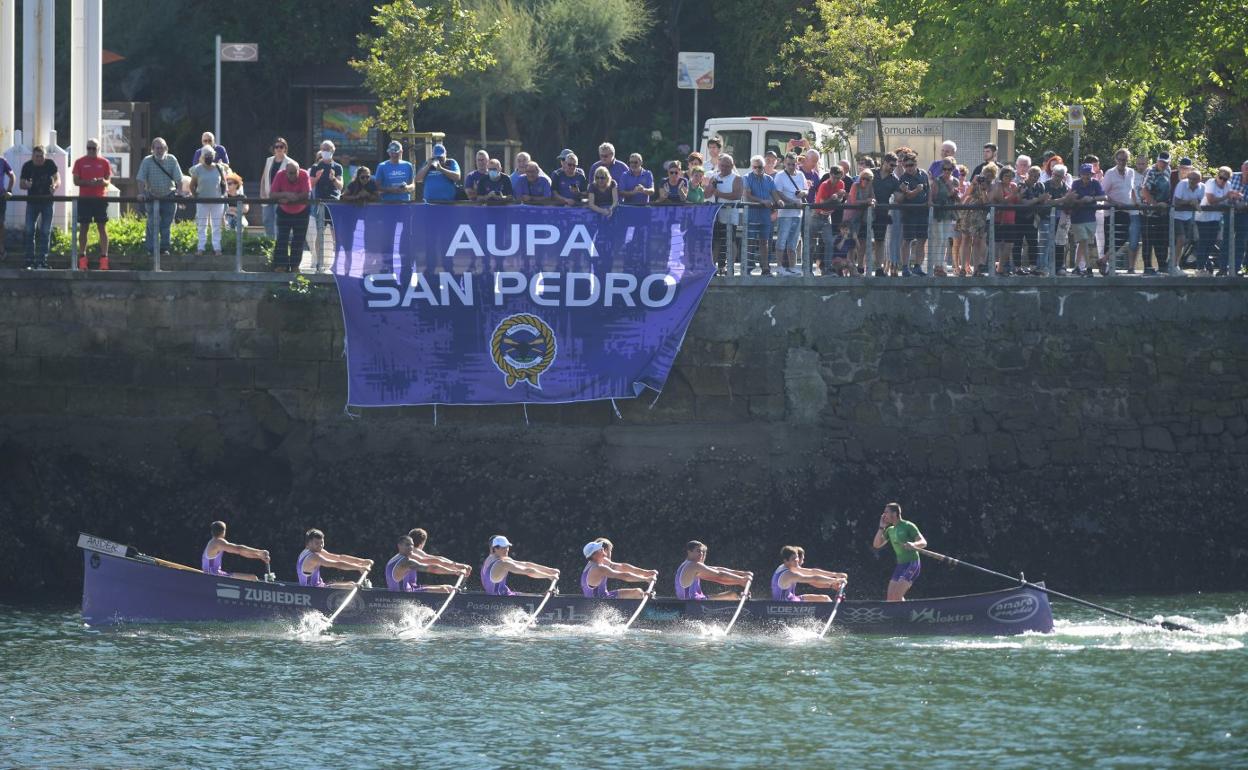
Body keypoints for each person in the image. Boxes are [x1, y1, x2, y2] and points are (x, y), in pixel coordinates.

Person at [871, 502, 927, 601]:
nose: (884, 515)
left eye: (886, 512)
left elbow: (923, 542)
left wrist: (913, 544)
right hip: (900, 565)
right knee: (890, 598)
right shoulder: (890, 530)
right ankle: (901, 614)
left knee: (897, 596)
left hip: (912, 563)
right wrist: (881, 527)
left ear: (895, 514)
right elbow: (876, 545)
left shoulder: (908, 525)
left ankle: (907, 614)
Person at [135, 138, 181, 258]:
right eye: (157, 148)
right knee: (152, 223)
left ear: (166, 149)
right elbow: (140, 178)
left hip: (169, 196)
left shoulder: (172, 159)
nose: (159, 150)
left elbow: (179, 179)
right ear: (152, 149)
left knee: (166, 224)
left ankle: (164, 249)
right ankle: (151, 250)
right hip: (152, 196)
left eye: (162, 148)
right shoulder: (147, 161)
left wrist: (179, 192)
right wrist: (141, 193)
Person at [385, 531, 471, 594]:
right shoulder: (407, 561)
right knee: (446, 590)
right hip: (404, 594)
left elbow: (435, 559)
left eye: (412, 545)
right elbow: (433, 567)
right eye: (408, 545)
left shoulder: (398, 557)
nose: (411, 547)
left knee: (448, 587)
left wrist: (456, 567)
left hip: (409, 589)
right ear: (399, 546)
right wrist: (456, 571)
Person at [71, 137, 111, 270]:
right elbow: (76, 181)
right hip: (85, 199)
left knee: (102, 228)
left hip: (100, 199)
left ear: (98, 149)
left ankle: (104, 259)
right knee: (84, 228)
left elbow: (108, 181)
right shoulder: (79, 162)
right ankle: (82, 258)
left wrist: (101, 181)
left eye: (94, 148)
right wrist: (89, 182)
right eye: (89, 148)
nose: (91, 150)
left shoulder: (104, 162)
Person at [480, 535, 559, 596]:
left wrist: (550, 570)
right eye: (503, 547)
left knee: (538, 595)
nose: (507, 549)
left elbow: (526, 564)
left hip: (503, 594)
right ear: (495, 549)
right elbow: (528, 571)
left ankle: (541, 595)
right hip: (499, 600)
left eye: (507, 546)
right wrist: (550, 576)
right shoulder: (503, 563)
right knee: (537, 597)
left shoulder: (491, 558)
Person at [674, 540, 752, 601]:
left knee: (731, 594)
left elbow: (716, 569)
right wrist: (741, 580)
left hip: (693, 601)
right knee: (732, 595)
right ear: (689, 552)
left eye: (702, 552)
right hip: (693, 604)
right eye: (698, 551)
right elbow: (719, 576)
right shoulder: (693, 565)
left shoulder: (687, 565)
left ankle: (736, 596)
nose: (701, 554)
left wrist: (742, 573)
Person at [270, 160, 311, 273]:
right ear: (286, 171)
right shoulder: (280, 175)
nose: (292, 175)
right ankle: (281, 265)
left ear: (299, 170)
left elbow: (306, 193)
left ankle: (294, 266)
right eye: (290, 173)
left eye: (294, 172)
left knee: (298, 240)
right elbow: (272, 194)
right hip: (284, 211)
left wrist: (293, 198)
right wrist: (286, 194)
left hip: (301, 211)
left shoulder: (304, 174)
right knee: (282, 239)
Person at [296, 528, 372, 588]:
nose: (321, 546)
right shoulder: (313, 557)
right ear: (308, 543)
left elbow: (339, 558)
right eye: (317, 543)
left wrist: (363, 561)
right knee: (351, 585)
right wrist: (359, 567)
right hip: (313, 592)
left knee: (351, 584)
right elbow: (337, 564)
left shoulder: (313, 550)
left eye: (322, 542)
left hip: (319, 587)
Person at [772, 152, 809, 276]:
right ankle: (779, 266)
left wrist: (802, 193)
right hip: (785, 213)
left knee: (794, 241)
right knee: (782, 240)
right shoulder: (780, 175)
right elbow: (778, 192)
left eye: (793, 164)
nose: (791, 166)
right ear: (784, 163)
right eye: (789, 164)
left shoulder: (801, 174)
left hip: (798, 213)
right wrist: (793, 201)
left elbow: (806, 190)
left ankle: (792, 266)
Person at [581, 541, 656, 599]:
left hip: (604, 596)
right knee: (639, 594)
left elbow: (623, 567)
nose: (602, 548)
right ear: (594, 555)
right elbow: (624, 576)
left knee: (638, 592)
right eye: (600, 549)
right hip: (599, 603)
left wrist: (646, 572)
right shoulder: (599, 568)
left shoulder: (600, 561)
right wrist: (646, 579)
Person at [1101, 148, 1136, 273]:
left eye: (1125, 159)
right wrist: (1116, 203)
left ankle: (1104, 259)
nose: (1122, 162)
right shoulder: (1110, 173)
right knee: (1110, 238)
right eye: (1120, 159)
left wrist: (1135, 202)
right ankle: (1105, 268)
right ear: (1116, 160)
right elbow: (1103, 193)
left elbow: (1131, 189)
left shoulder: (1131, 172)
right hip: (1112, 211)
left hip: (1126, 210)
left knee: (1123, 237)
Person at [188, 147, 227, 257]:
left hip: (217, 201)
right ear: (202, 157)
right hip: (202, 201)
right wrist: (197, 197)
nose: (208, 157)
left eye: (210, 155)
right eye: (206, 155)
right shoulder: (198, 169)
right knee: (202, 225)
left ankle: (217, 248)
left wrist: (223, 195)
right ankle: (201, 248)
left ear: (214, 156)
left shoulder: (219, 168)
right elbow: (191, 185)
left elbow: (224, 183)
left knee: (216, 225)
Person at [772, 545, 846, 602]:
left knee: (825, 598)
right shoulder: (789, 575)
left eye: (797, 557)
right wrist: (836, 580)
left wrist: (835, 575)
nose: (797, 560)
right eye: (793, 559)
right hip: (786, 604)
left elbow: (812, 572)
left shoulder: (787, 566)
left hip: (791, 598)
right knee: (825, 599)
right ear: (786, 561)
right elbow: (814, 578)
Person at [743, 155, 778, 275]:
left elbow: (774, 193)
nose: (758, 169)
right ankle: (747, 268)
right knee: (750, 242)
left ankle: (765, 268)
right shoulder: (746, 177)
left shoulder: (769, 179)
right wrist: (762, 201)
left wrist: (779, 202)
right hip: (752, 215)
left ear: (764, 166)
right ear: (752, 167)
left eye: (760, 167)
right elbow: (747, 195)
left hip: (765, 216)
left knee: (765, 242)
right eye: (755, 167)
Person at [897, 154, 931, 276]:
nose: (908, 168)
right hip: (909, 213)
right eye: (906, 166)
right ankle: (905, 268)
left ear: (916, 164)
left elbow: (929, 190)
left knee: (922, 239)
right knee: (908, 240)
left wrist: (929, 201)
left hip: (923, 212)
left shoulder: (924, 174)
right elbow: (908, 196)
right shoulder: (903, 178)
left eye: (911, 165)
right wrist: (916, 190)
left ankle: (918, 267)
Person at [1069, 164, 1105, 276]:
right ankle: (1089, 267)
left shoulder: (1095, 183)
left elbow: (1104, 197)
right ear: (1080, 174)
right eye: (1084, 173)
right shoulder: (1075, 184)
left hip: (1090, 217)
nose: (1087, 176)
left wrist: (1092, 198)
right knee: (1083, 240)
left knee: (1083, 243)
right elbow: (1071, 199)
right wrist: (1082, 201)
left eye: (1089, 173)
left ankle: (1076, 267)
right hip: (1077, 217)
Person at [201, 520, 269, 580]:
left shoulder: (212, 542)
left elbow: (241, 552)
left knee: (252, 577)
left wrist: (260, 556)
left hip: (214, 575)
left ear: (212, 532)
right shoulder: (217, 542)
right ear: (223, 532)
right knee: (252, 578)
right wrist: (260, 552)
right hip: (214, 576)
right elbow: (239, 549)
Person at [1196, 166, 1232, 275]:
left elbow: (1228, 201)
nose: (1222, 181)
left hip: (1216, 218)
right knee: (1204, 242)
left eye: (1225, 179)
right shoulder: (1211, 182)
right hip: (1203, 218)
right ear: (1217, 176)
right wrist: (1225, 197)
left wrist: (1230, 198)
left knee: (1211, 243)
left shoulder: (1228, 186)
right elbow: (1211, 200)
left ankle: (1205, 266)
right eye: (1220, 177)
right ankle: (1200, 268)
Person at [1139, 156, 1172, 275]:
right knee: (1148, 241)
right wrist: (1156, 204)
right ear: (1157, 161)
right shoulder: (1151, 172)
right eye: (1161, 162)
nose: (1163, 164)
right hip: (1149, 213)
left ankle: (1162, 266)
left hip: (1163, 213)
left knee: (1162, 240)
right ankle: (1147, 267)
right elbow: (1144, 190)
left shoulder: (1168, 170)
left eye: (1165, 162)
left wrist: (1166, 204)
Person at [1171, 169, 1204, 273]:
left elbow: (1201, 201)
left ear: (1199, 180)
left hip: (1189, 217)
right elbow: (1176, 202)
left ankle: (1176, 264)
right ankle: (1174, 265)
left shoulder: (1202, 187)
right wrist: (1190, 202)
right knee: (1181, 239)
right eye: (1190, 178)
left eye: (1194, 179)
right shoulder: (1182, 184)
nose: (1191, 181)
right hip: (1176, 216)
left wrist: (1196, 202)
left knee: (1185, 241)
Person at [259, 137, 292, 238]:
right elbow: (264, 177)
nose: (278, 149)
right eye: (276, 146)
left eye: (281, 146)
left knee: (278, 222)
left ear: (285, 148)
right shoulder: (269, 160)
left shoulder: (290, 163)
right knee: (266, 220)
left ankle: (279, 246)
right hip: (268, 196)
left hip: (281, 197)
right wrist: (262, 193)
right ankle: (270, 243)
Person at [0, 151, 13, 261]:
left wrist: (9, 191)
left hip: (0, 197)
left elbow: (12, 176)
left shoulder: (2, 161)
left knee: (0, 224)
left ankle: (1, 248)